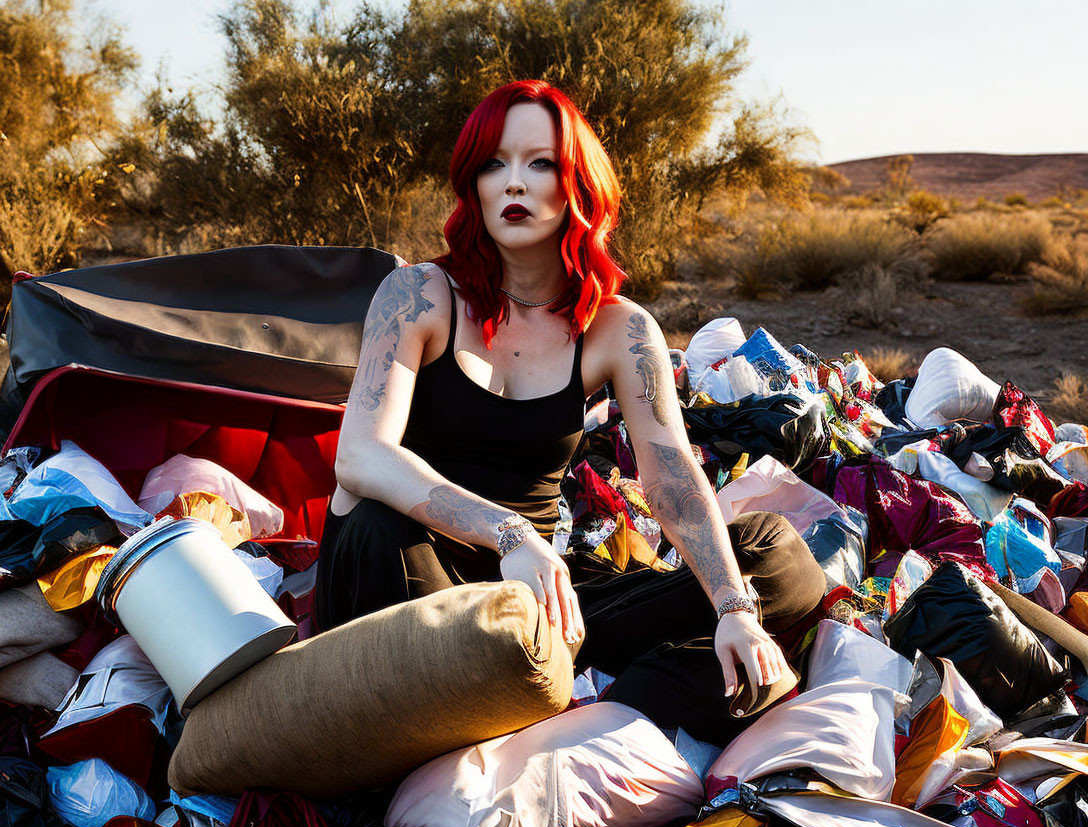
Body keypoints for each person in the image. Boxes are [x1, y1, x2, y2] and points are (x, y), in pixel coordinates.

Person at [314, 80, 823, 743]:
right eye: (493, 164)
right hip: (414, 578)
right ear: (473, 186)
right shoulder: (418, 294)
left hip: (530, 598)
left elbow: (671, 478)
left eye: (540, 163)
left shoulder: (619, 330)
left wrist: (732, 608)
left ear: (577, 183)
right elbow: (360, 456)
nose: (512, 184)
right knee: (381, 529)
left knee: (778, 559)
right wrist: (509, 534)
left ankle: (592, 707)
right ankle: (541, 695)